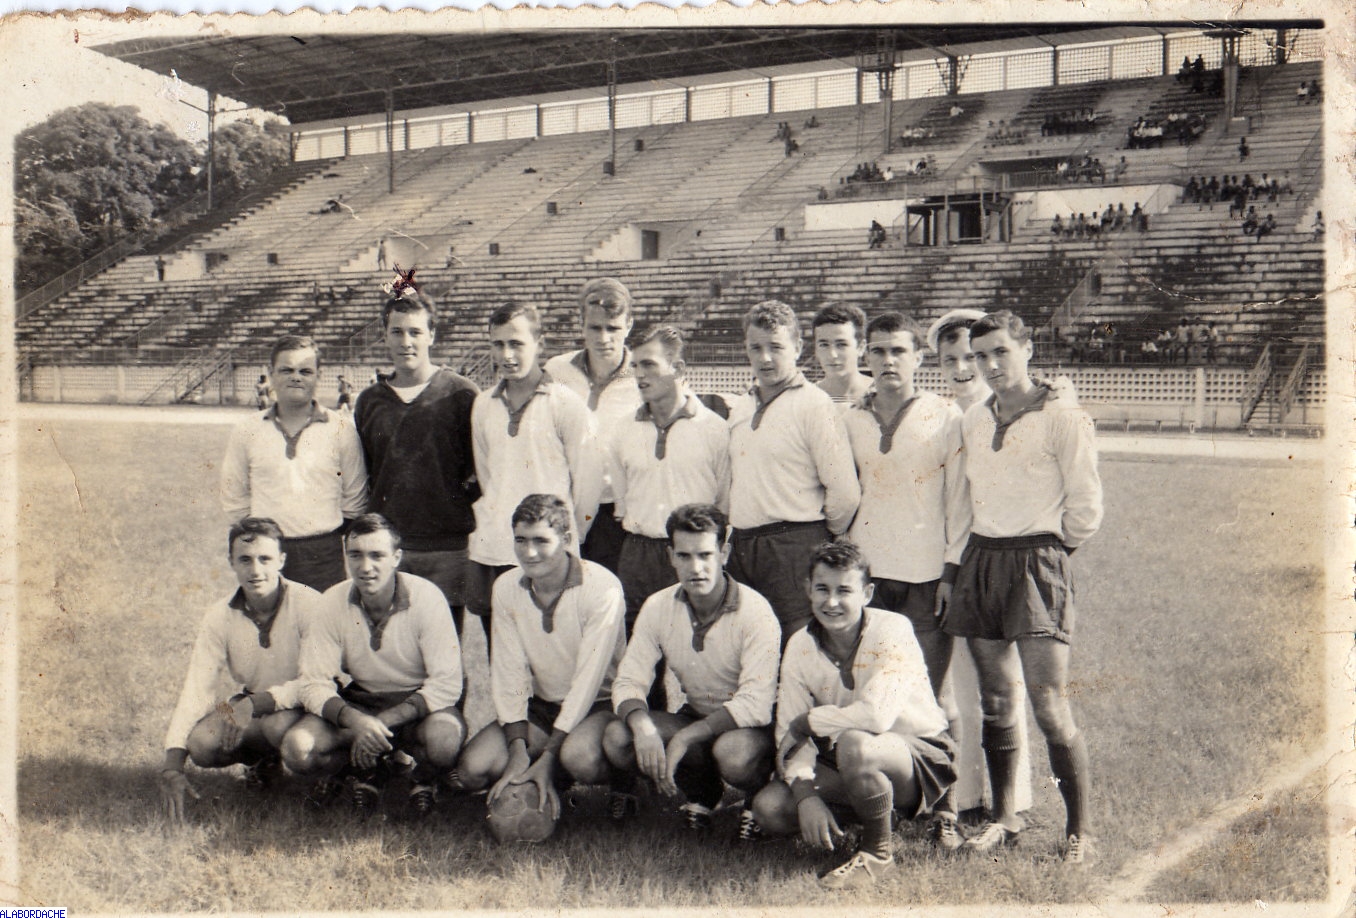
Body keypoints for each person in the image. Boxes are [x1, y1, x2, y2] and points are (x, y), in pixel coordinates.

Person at [943, 310, 1102, 864]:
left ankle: (1080, 830)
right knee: (995, 701)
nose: (990, 365)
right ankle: (1005, 817)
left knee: (1049, 703)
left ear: (1027, 349)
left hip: (1037, 561)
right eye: (980, 356)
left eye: (1000, 353)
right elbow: (965, 501)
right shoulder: (974, 419)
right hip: (982, 561)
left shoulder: (1063, 416)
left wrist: (1050, 558)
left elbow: (1086, 508)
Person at [751, 540, 956, 889]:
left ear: (867, 593)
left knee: (855, 743)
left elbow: (877, 717)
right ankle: (874, 815)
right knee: (770, 808)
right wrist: (806, 795)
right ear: (808, 589)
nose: (832, 602)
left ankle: (878, 855)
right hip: (850, 757)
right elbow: (789, 730)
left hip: (919, 756)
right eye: (822, 589)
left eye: (844, 590)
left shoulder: (892, 629)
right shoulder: (800, 643)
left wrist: (810, 722)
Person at [840, 311, 971, 848]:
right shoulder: (849, 418)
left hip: (925, 577)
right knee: (872, 689)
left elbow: (960, 502)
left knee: (932, 695)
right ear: (866, 357)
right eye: (877, 351)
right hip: (870, 580)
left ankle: (947, 810)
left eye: (899, 350)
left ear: (919, 357)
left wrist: (950, 573)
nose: (887, 360)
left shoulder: (945, 415)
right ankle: (878, 800)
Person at [602, 504, 780, 837]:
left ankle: (757, 796)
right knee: (618, 737)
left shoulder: (756, 611)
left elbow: (756, 705)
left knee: (733, 753)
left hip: (750, 730)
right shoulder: (658, 605)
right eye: (684, 556)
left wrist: (686, 736)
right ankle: (704, 792)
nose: (695, 568)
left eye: (705, 555)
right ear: (670, 556)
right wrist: (642, 725)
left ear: (724, 553)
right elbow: (628, 680)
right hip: (697, 715)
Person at [924, 309, 1035, 824]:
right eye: (950, 360)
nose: (963, 368)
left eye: (971, 357)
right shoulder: (945, 416)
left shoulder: (1013, 410)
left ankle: (1014, 796)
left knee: (1002, 684)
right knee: (961, 685)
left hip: (1004, 556)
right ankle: (966, 793)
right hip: (957, 559)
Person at [455, 494, 628, 823]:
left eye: (541, 541)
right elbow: (509, 671)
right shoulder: (506, 587)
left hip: (598, 705)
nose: (529, 552)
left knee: (580, 758)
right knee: (473, 769)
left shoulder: (602, 587)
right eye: (521, 540)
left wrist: (549, 757)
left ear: (566, 539)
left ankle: (619, 782)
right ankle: (539, 770)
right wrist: (517, 750)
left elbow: (588, 682)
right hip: (543, 708)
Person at [280, 514, 466, 816]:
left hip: (415, 704)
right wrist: (358, 721)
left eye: (377, 555)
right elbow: (313, 682)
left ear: (396, 557)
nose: (366, 567)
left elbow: (447, 683)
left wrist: (383, 721)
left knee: (445, 742)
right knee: (297, 749)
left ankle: (423, 778)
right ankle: (359, 769)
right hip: (362, 700)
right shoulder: (332, 601)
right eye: (356, 555)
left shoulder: (427, 597)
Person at [158, 518, 320, 822]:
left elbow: (318, 682)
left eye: (265, 559)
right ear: (231, 562)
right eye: (245, 559)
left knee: (277, 726)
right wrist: (173, 765)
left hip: (309, 705)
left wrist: (254, 705)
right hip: (251, 702)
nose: (255, 570)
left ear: (282, 560)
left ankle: (330, 775)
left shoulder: (310, 604)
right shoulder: (218, 615)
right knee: (202, 744)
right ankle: (264, 761)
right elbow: (197, 689)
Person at [726, 300, 860, 642]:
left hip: (793, 544)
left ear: (798, 348)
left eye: (776, 347)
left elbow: (844, 492)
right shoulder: (742, 405)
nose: (765, 358)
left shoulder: (814, 404)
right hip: (744, 546)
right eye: (756, 348)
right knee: (748, 644)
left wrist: (812, 537)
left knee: (798, 645)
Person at [467, 302, 602, 632]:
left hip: (549, 552)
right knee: (501, 650)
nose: (506, 355)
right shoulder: (483, 404)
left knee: (553, 648)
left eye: (516, 343)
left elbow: (588, 483)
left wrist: (567, 539)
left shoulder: (566, 403)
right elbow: (488, 477)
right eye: (498, 344)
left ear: (539, 344)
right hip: (496, 549)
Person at [354, 283, 480, 631]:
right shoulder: (369, 401)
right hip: (386, 546)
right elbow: (365, 472)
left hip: (446, 548)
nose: (406, 341)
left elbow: (480, 472)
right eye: (397, 332)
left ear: (432, 335)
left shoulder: (461, 394)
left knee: (443, 644)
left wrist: (450, 507)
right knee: (390, 643)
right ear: (385, 336)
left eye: (415, 332)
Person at [607, 325, 730, 635]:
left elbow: (724, 502)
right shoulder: (623, 430)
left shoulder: (714, 429)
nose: (639, 374)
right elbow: (623, 500)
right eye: (635, 365)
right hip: (639, 554)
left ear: (678, 368)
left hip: (692, 554)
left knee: (695, 643)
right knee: (638, 644)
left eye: (649, 364)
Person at [221, 336, 368, 592]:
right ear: (271, 373)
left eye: (305, 371)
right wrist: (260, 539)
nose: (296, 377)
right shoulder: (246, 430)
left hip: (323, 555)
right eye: (287, 370)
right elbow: (234, 496)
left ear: (319, 375)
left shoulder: (341, 429)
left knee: (323, 618)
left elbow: (354, 497)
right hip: (265, 554)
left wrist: (324, 534)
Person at [544, 278, 640, 574]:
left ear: (629, 325)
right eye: (595, 328)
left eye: (613, 328)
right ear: (581, 325)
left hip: (618, 515)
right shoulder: (555, 371)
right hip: (566, 509)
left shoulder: (644, 376)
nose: (604, 338)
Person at [811, 303, 873, 405]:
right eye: (824, 345)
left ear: (861, 347)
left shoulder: (885, 394)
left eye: (841, 345)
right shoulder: (806, 399)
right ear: (816, 349)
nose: (832, 354)